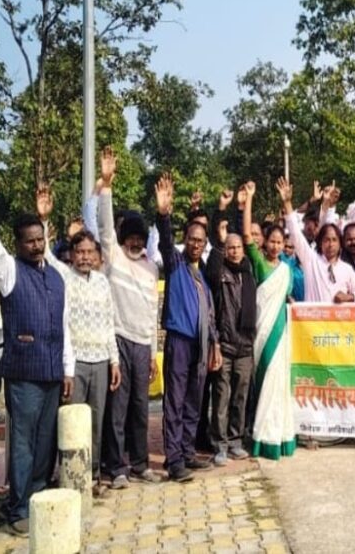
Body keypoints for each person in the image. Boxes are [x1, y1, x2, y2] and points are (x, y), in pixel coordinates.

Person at [0, 164, 73, 535]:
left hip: (50, 374)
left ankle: (39, 498)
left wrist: (67, 369)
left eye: (40, 238)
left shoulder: (57, 274)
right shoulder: (10, 270)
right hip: (22, 377)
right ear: (18, 243)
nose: (36, 244)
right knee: (23, 445)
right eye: (29, 240)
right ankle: (17, 510)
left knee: (45, 444)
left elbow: (63, 326)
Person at [37, 187, 122, 489]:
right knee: (72, 421)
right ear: (72, 255)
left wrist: (114, 361)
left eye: (90, 252)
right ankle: (70, 477)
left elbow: (110, 323)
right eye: (80, 252)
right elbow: (45, 253)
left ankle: (93, 476)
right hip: (75, 365)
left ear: (97, 256)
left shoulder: (102, 282)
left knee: (96, 423)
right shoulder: (63, 276)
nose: (85, 257)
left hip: (100, 363)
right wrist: (43, 219)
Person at [91, 151, 161, 487]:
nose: (135, 242)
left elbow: (152, 313)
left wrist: (151, 351)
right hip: (117, 341)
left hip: (141, 345)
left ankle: (140, 464)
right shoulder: (114, 258)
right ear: (122, 240)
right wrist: (106, 185)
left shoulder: (151, 267)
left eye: (139, 238)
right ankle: (117, 468)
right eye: (130, 237)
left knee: (139, 410)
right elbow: (104, 226)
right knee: (116, 411)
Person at [154, 172, 222, 482]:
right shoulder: (175, 264)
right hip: (179, 342)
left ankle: (187, 450)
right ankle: (174, 460)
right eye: (192, 239)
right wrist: (164, 214)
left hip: (202, 345)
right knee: (176, 400)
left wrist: (215, 345)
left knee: (195, 400)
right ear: (186, 240)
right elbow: (166, 241)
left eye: (200, 241)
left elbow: (209, 314)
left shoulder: (203, 274)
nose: (196, 244)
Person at [236, 182, 298, 459]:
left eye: (278, 242)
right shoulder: (259, 263)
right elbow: (247, 235)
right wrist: (249, 199)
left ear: (284, 245)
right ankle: (260, 435)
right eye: (271, 241)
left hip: (280, 334)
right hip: (261, 335)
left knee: (277, 385)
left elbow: (286, 298)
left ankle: (276, 436)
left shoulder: (287, 270)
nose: (274, 245)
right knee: (262, 387)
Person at [205, 186, 258, 466]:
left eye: (238, 248)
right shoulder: (218, 270)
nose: (235, 251)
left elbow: (245, 235)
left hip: (245, 346)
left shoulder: (248, 269)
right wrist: (222, 210)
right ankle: (220, 445)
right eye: (230, 248)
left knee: (240, 397)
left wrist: (243, 207)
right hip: (224, 346)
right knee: (222, 398)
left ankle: (236, 441)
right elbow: (217, 241)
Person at [279, 177, 355, 304]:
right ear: (321, 242)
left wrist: (349, 297)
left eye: (334, 240)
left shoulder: (346, 269)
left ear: (340, 244)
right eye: (326, 240)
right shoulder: (311, 261)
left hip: (337, 323)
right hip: (312, 323)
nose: (330, 244)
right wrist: (287, 203)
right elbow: (294, 232)